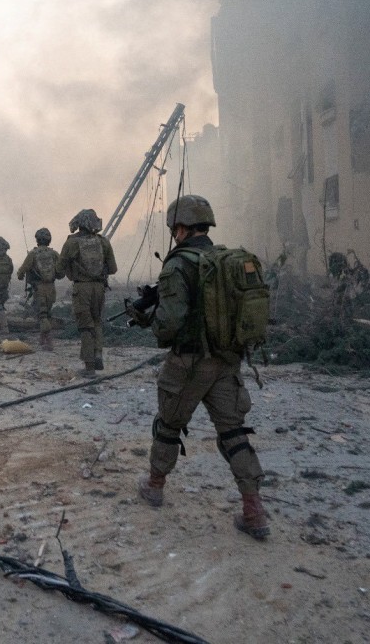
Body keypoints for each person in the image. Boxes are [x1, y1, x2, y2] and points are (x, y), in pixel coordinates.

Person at [130, 195, 269, 540]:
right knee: (234, 433)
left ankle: (155, 484)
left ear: (180, 228)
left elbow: (170, 325)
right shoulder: (222, 259)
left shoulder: (177, 266)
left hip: (190, 363)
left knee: (168, 425)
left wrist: (150, 322)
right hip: (227, 360)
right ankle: (253, 509)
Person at [59, 209, 116, 377]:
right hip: (99, 288)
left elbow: (60, 269)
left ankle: (89, 367)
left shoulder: (71, 243)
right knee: (97, 321)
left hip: (81, 288)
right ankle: (98, 353)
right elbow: (113, 268)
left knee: (85, 325)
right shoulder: (103, 242)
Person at [16, 227, 62, 351]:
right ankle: (42, 339)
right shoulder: (54, 254)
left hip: (39, 288)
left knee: (42, 315)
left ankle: (49, 342)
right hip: (52, 288)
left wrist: (21, 276)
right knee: (47, 313)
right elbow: (61, 271)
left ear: (37, 240)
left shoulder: (33, 254)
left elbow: (21, 272)